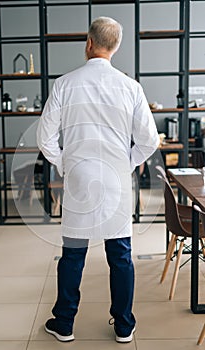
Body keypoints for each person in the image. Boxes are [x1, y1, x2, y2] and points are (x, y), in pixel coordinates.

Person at [37, 16, 159, 343]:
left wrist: (67, 164)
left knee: (73, 253)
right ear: (115, 47)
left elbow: (44, 138)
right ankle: (123, 325)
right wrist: (125, 163)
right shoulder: (131, 88)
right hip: (116, 181)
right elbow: (149, 141)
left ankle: (63, 323)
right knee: (120, 254)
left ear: (89, 43)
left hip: (79, 180)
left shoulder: (64, 84)